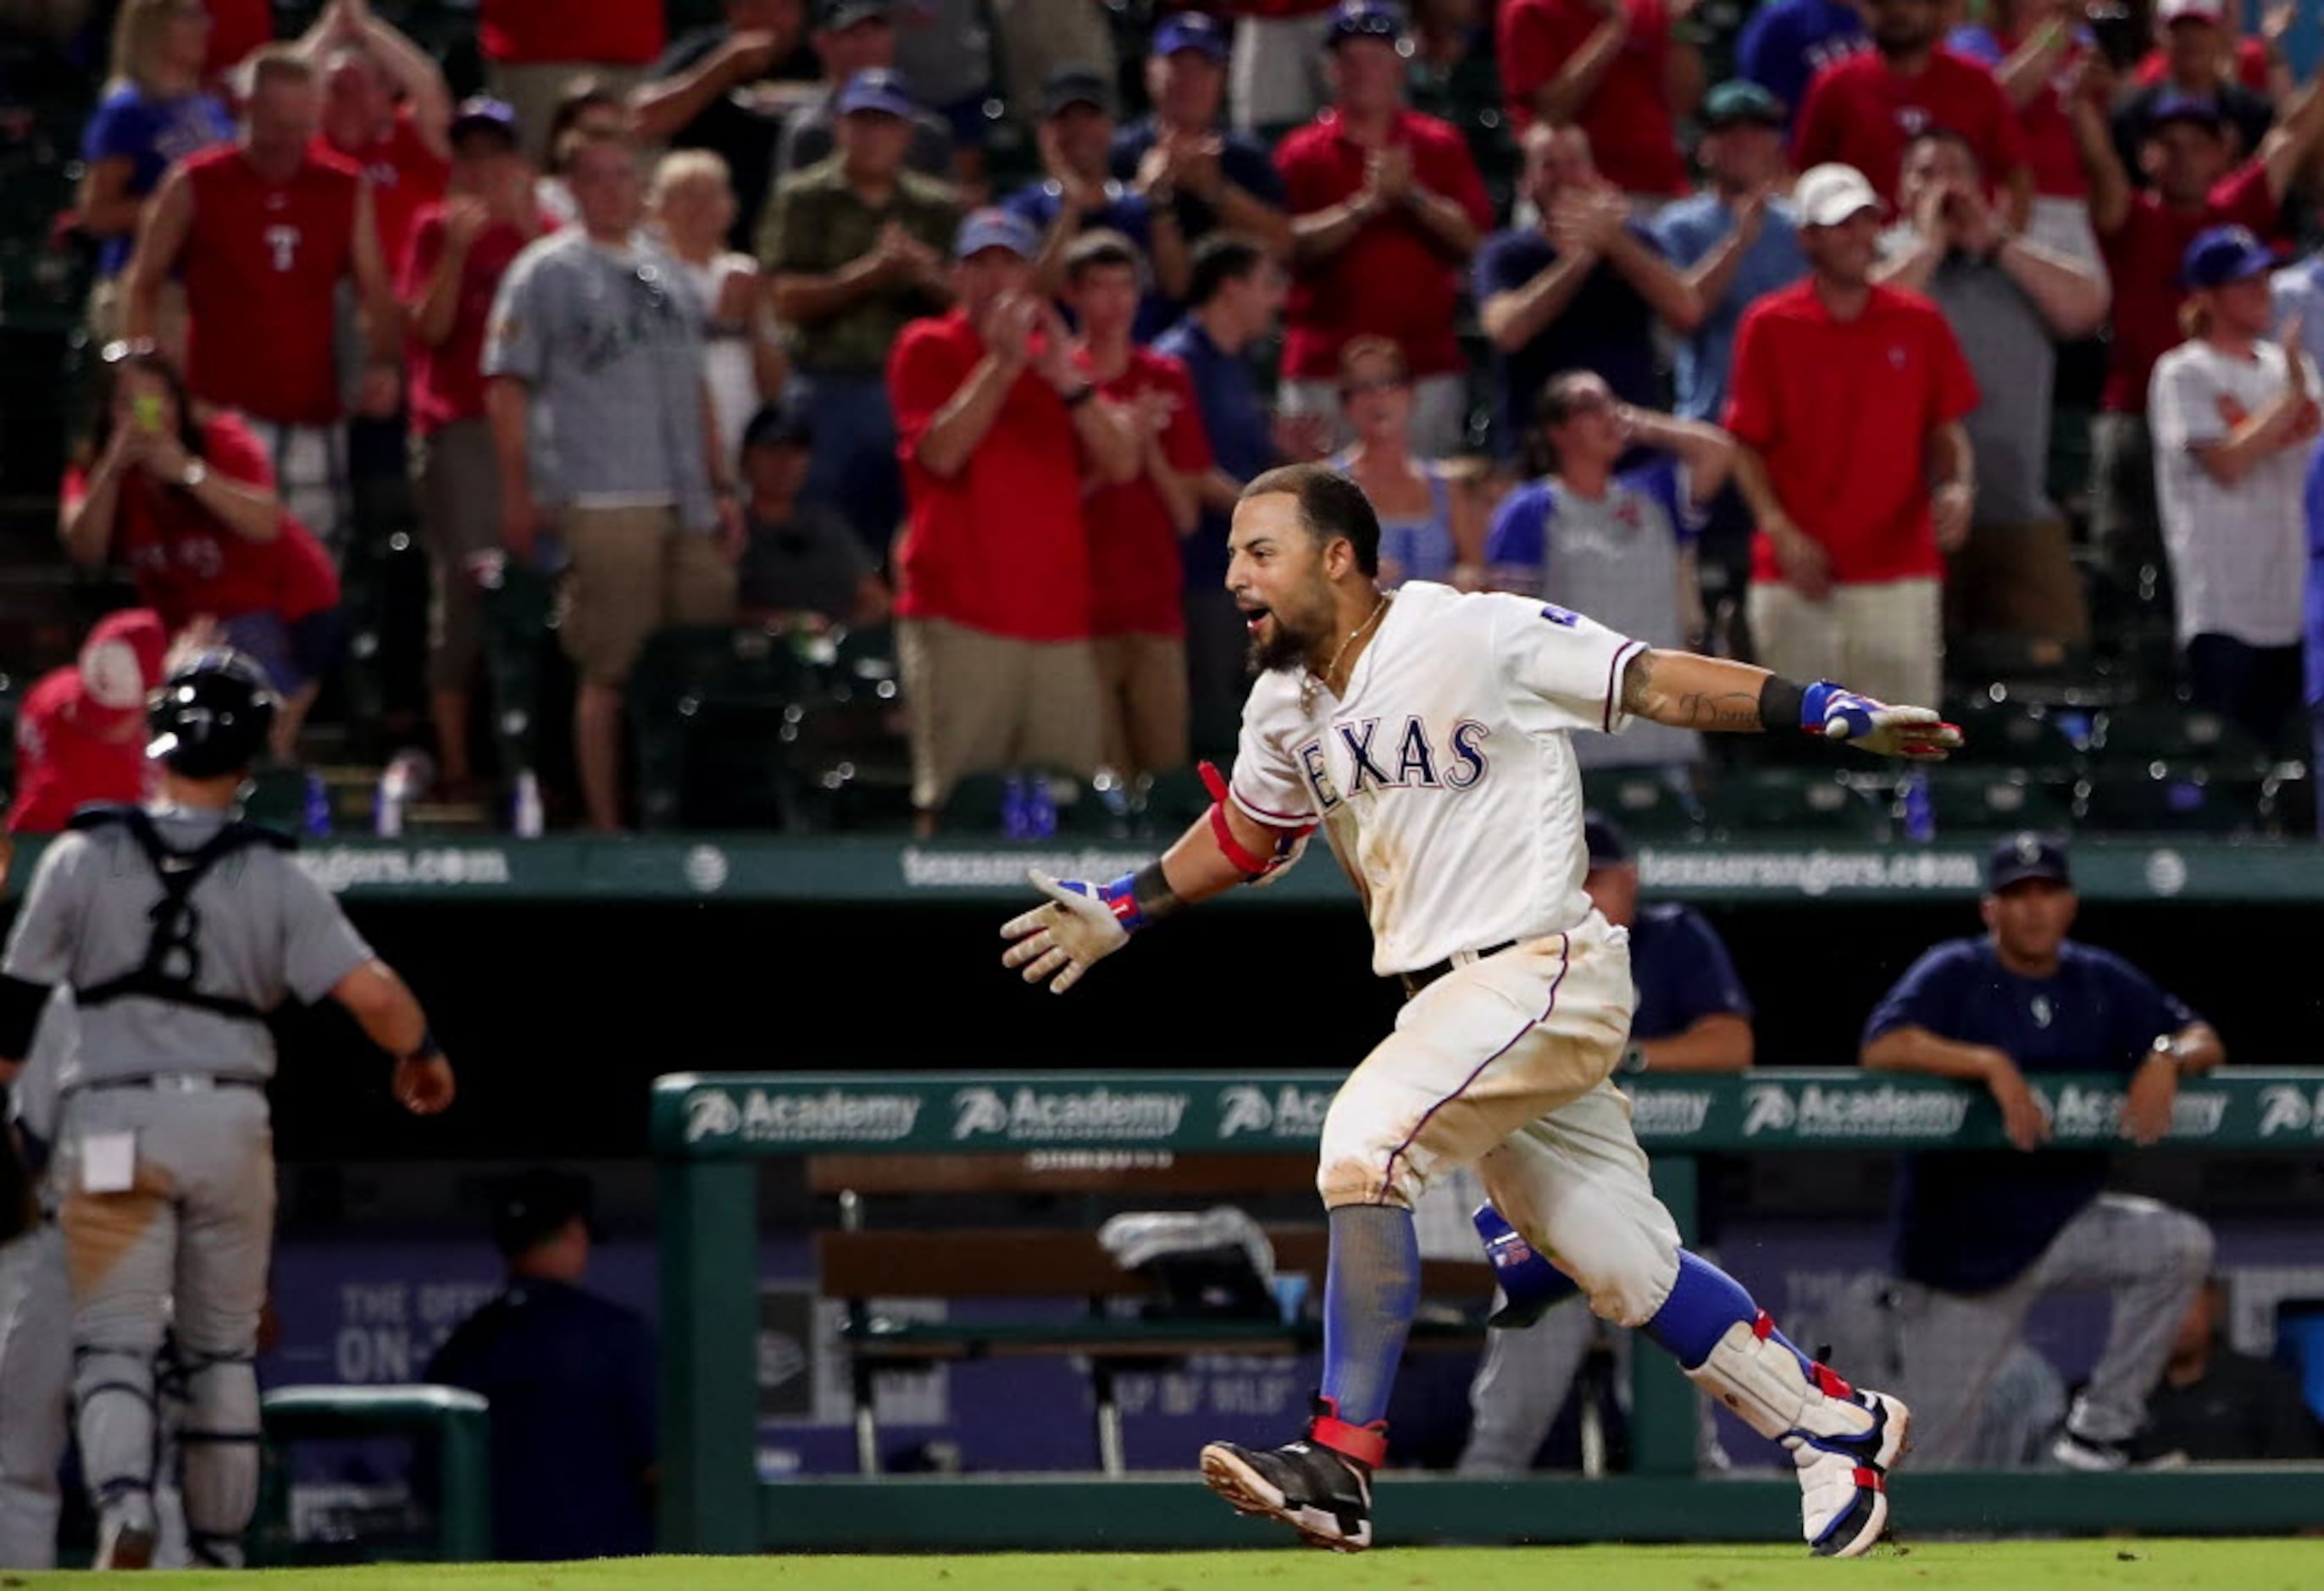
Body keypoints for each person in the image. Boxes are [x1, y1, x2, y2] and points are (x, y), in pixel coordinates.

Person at [999, 461, 1959, 1554]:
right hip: (1458, 1007)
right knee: (1621, 1262)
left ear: (1338, 557)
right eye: (1228, 556)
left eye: (1258, 552)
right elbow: (1249, 833)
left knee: (1363, 1146)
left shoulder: (1471, 634)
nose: (1232, 577)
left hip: (1536, 968)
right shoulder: (1284, 702)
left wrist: (1814, 705)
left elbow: (1646, 679)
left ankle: (1338, 1460)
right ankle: (1833, 1428)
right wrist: (1127, 905)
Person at [0, 650, 456, 1567]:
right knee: (217, 1354)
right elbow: (375, 997)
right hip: (227, 1120)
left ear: (156, 752)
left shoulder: (84, 854)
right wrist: (423, 1054)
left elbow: (13, 1011)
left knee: (115, 1344)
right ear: (249, 764)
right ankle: (216, 1552)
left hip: (112, 1125)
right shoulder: (277, 875)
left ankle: (125, 1500)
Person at [1858, 833, 2222, 1472]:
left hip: (2063, 1223)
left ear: (2069, 905)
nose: (2032, 908)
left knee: (2179, 1244)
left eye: (2046, 892)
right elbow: (1883, 1045)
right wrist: (1987, 1064)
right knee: (1926, 1466)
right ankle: (1901, 1566)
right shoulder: (1956, 971)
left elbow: (2202, 1038)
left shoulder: (2097, 978)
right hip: (1964, 1256)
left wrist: (2165, 1057)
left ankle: (2098, 1432)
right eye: (2016, 895)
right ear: (1989, 910)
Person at [1455, 809, 1751, 1477]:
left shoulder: (1674, 939)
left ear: (1631, 881)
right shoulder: (1522, 956)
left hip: (1660, 1228)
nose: (1583, 895)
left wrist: (1629, 1057)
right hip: (1551, 1222)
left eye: (1597, 878)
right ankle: (1460, 1553)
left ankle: (1719, 1566)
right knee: (1505, 1424)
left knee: (1687, 1432)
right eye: (1570, 879)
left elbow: (1731, 1044)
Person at [484, 128, 744, 833]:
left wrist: (722, 487)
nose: (613, 190)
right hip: (602, 492)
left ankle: (690, 813)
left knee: (699, 658)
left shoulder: (665, 270)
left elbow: (698, 388)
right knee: (610, 665)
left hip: (686, 496)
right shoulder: (545, 271)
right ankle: (607, 825)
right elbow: (507, 386)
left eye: (624, 176)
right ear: (570, 190)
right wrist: (518, 492)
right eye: (596, 178)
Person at [886, 208, 1140, 830]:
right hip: (962, 615)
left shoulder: (1056, 360)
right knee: (952, 802)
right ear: (957, 276)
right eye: (979, 264)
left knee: (1066, 802)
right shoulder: (927, 345)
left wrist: (1065, 379)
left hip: (1056, 620)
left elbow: (1122, 464)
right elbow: (941, 453)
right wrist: (1000, 366)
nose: (994, 278)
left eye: (1008, 263)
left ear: (1030, 277)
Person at [121, 44, 402, 563]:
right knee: (231, 565)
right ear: (247, 111)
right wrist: (153, 402)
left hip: (313, 414)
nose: (290, 143)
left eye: (302, 127)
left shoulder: (343, 187)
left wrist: (382, 363)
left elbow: (376, 291)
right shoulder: (196, 182)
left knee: (316, 564)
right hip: (221, 415)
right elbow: (142, 286)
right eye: (277, 127)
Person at [1724, 162, 1979, 712]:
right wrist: (1779, 530)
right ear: (1807, 237)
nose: (1860, 237)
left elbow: (1945, 428)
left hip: (1897, 568)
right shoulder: (1769, 324)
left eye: (1867, 221)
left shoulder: (1919, 321)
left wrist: (1958, 486)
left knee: (1901, 741)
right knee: (1797, 756)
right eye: (1842, 225)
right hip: (1796, 574)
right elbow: (1744, 443)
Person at [1875, 128, 2104, 659]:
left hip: (2016, 506)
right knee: (1910, 677)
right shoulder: (1882, 260)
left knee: (2054, 661)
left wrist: (1998, 243)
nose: (1944, 187)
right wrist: (1929, 247)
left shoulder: (2016, 262)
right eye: (1926, 174)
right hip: (1902, 519)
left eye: (1956, 172)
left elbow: (2086, 308)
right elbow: (1862, 324)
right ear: (1902, 191)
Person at [58, 341, 343, 761]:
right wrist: (113, 471)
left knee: (241, 709)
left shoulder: (220, 440)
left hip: (283, 608)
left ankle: (271, 773)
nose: (146, 416)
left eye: (158, 401)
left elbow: (265, 522)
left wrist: (189, 473)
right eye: (128, 404)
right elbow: (85, 549)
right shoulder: (97, 470)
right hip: (183, 619)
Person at [401, 97, 551, 803]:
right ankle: (458, 762)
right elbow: (426, 331)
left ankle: (529, 761)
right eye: (469, 154)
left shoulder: (544, 236)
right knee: (465, 591)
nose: (481, 167)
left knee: (536, 594)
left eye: (495, 153)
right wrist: (459, 251)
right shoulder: (433, 229)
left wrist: (523, 231)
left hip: (535, 434)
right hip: (458, 429)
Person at [1273, 0, 1492, 457]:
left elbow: (1476, 241)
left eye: (1374, 56)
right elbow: (1284, 246)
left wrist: (1412, 196)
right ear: (1331, 69)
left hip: (1423, 366)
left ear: (1399, 62)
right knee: (1323, 519)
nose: (1361, 71)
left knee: (1423, 514)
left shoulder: (1438, 144)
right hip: (1323, 370)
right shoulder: (1302, 153)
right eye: (1349, 59)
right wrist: (1364, 206)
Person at [1484, 369, 1732, 774]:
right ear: (1557, 432)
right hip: (1577, 742)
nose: (1609, 416)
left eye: (1611, 403)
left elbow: (1718, 451)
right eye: (1589, 407)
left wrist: (1641, 423)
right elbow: (1510, 632)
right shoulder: (1528, 509)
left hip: (1664, 733)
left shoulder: (1654, 493)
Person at [761, 67, 960, 560]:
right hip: (824, 388)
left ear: (907, 134)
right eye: (861, 121)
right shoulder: (802, 197)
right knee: (817, 524)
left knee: (911, 525)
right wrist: (867, 276)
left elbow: (968, 301)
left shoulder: (937, 207)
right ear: (838, 126)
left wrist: (922, 273)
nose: (872, 135)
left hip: (912, 394)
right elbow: (784, 298)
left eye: (885, 122)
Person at [424, 1168, 657, 1562]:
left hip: (493, 1576)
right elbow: (662, 1472)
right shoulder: (618, 1335)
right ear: (574, 1233)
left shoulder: (464, 1346)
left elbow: (430, 1485)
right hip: (604, 1573)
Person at [2150, 225, 2318, 746]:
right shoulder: (2184, 371)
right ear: (2207, 296)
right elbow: (2227, 462)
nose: (2263, 292)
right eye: (2245, 284)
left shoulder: (2289, 367)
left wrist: (2272, 414)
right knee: (2229, 755)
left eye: (2265, 279)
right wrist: (2286, 406)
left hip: (2291, 598)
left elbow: (2302, 446)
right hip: (2223, 602)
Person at [1066, 231, 1212, 783]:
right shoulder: (1061, 379)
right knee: (1099, 773)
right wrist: (1117, 447)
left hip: (1154, 608)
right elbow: (1052, 506)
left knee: (1164, 766)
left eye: (1124, 286)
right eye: (1099, 287)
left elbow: (1186, 515)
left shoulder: (1164, 377)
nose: (1114, 301)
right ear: (1072, 296)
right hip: (1080, 612)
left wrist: (1146, 444)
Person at [78, 0, 235, 351]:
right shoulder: (127, 110)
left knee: (207, 405)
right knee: (150, 402)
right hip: (150, 294)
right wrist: (173, 211)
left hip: (210, 286)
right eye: (191, 16)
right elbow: (96, 214)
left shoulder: (208, 106)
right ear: (155, 27)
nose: (205, 27)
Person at [1792, 0, 2033, 226]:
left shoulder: (1977, 82)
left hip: (1961, 253)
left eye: (1911, 1)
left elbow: (2017, 173)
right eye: (1883, 3)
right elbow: (1807, 176)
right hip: (1867, 252)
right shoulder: (1835, 84)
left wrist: (2000, 248)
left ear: (1933, 9)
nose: (1897, 12)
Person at [629, 0, 823, 253]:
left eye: (782, 7)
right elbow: (644, 121)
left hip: (793, 235)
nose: (769, 19)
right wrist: (724, 68)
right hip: (704, 237)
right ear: (731, 10)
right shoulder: (704, 51)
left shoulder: (816, 59)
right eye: (756, 6)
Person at [648, 148, 785, 475]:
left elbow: (775, 382)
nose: (700, 208)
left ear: (731, 208)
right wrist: (720, 325)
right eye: (686, 196)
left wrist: (752, 317)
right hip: (671, 437)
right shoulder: (646, 273)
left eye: (712, 196)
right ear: (658, 208)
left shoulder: (744, 272)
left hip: (741, 427)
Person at [1111, 13, 1293, 258]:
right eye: (1177, 66)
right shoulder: (1121, 150)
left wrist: (1215, 190)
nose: (1188, 80)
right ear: (1150, 72)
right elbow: (1098, 246)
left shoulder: (1246, 155)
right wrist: (1142, 193)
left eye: (1202, 68)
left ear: (1222, 77)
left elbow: (1284, 246)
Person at [1495, 0, 1699, 210]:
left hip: (1658, 187)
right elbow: (1552, 114)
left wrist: (1677, 26)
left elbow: (1683, 104)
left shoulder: (1648, 5)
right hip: (1569, 194)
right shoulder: (1530, 8)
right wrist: (1614, 28)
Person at [1328, 336, 1484, 590]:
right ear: (1346, 404)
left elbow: (1475, 565)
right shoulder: (1326, 484)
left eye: (1389, 383)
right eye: (1362, 387)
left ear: (1410, 394)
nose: (1378, 397)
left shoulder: (1447, 486)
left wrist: (1464, 577)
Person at [6, 610, 169, 834]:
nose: (99, 722)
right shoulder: (116, 773)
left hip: (25, 841)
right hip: (76, 851)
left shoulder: (50, 689)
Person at [735, 399, 891, 629]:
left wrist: (842, 630)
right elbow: (714, 609)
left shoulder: (828, 525)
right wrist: (780, 622)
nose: (785, 463)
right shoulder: (733, 530)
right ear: (747, 459)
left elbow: (875, 596)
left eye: (796, 453)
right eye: (772, 451)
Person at [2131, 1278, 2324, 1463]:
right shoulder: (2126, 1395)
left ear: (2213, 1302)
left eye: (2186, 1302)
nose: (2177, 1318)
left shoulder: (2268, 1387)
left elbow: (2298, 1478)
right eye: (2162, 1306)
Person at [770, 0, 954, 184]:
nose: (869, 43)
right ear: (822, 42)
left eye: (877, 30)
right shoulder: (810, 132)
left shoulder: (927, 134)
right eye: (853, 33)